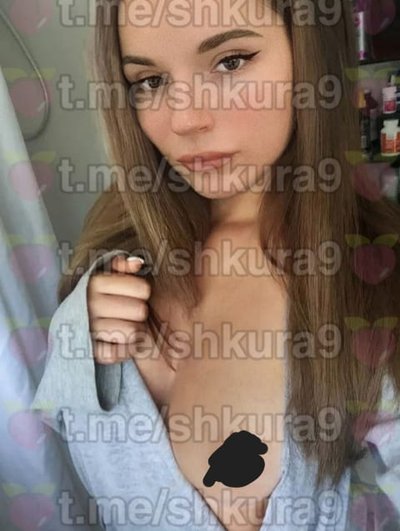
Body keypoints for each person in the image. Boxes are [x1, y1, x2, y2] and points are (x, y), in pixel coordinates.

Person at [30, 0, 400, 529]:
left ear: (310, 52)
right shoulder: (115, 251)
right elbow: (64, 422)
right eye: (150, 81)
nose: (185, 119)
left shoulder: (369, 271)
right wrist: (76, 333)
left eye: (230, 61)